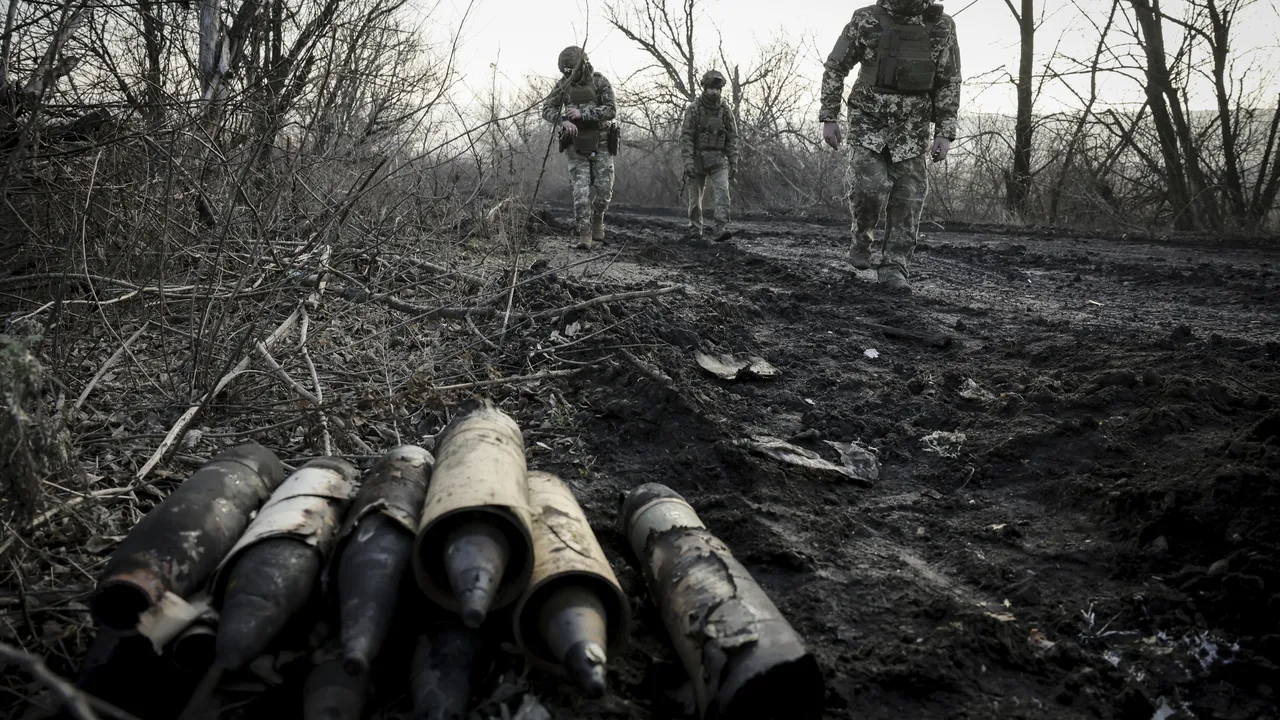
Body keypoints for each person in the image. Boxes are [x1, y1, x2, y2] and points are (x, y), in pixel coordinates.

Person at [819, 0, 961, 291]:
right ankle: (862, 238)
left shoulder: (942, 25)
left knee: (908, 200)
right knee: (868, 188)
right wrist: (829, 116)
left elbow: (949, 81)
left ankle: (895, 268)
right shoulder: (867, 19)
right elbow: (836, 66)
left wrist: (944, 132)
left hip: (913, 127)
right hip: (868, 119)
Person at [541, 46, 619, 250]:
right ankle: (584, 233)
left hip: (601, 142)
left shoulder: (599, 82)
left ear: (582, 65)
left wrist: (584, 114)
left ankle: (598, 218)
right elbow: (547, 108)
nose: (568, 75)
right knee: (580, 193)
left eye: (571, 71)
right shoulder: (563, 86)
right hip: (576, 144)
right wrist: (563, 121)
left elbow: (611, 110)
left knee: (604, 191)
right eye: (565, 72)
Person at [680, 70, 739, 242]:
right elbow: (686, 137)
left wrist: (734, 161)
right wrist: (688, 161)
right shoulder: (694, 109)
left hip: (718, 159)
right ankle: (695, 229)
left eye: (717, 89)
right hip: (697, 159)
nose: (714, 92)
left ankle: (720, 227)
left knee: (722, 192)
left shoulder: (725, 111)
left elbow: (732, 138)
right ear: (704, 88)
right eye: (711, 88)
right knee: (695, 198)